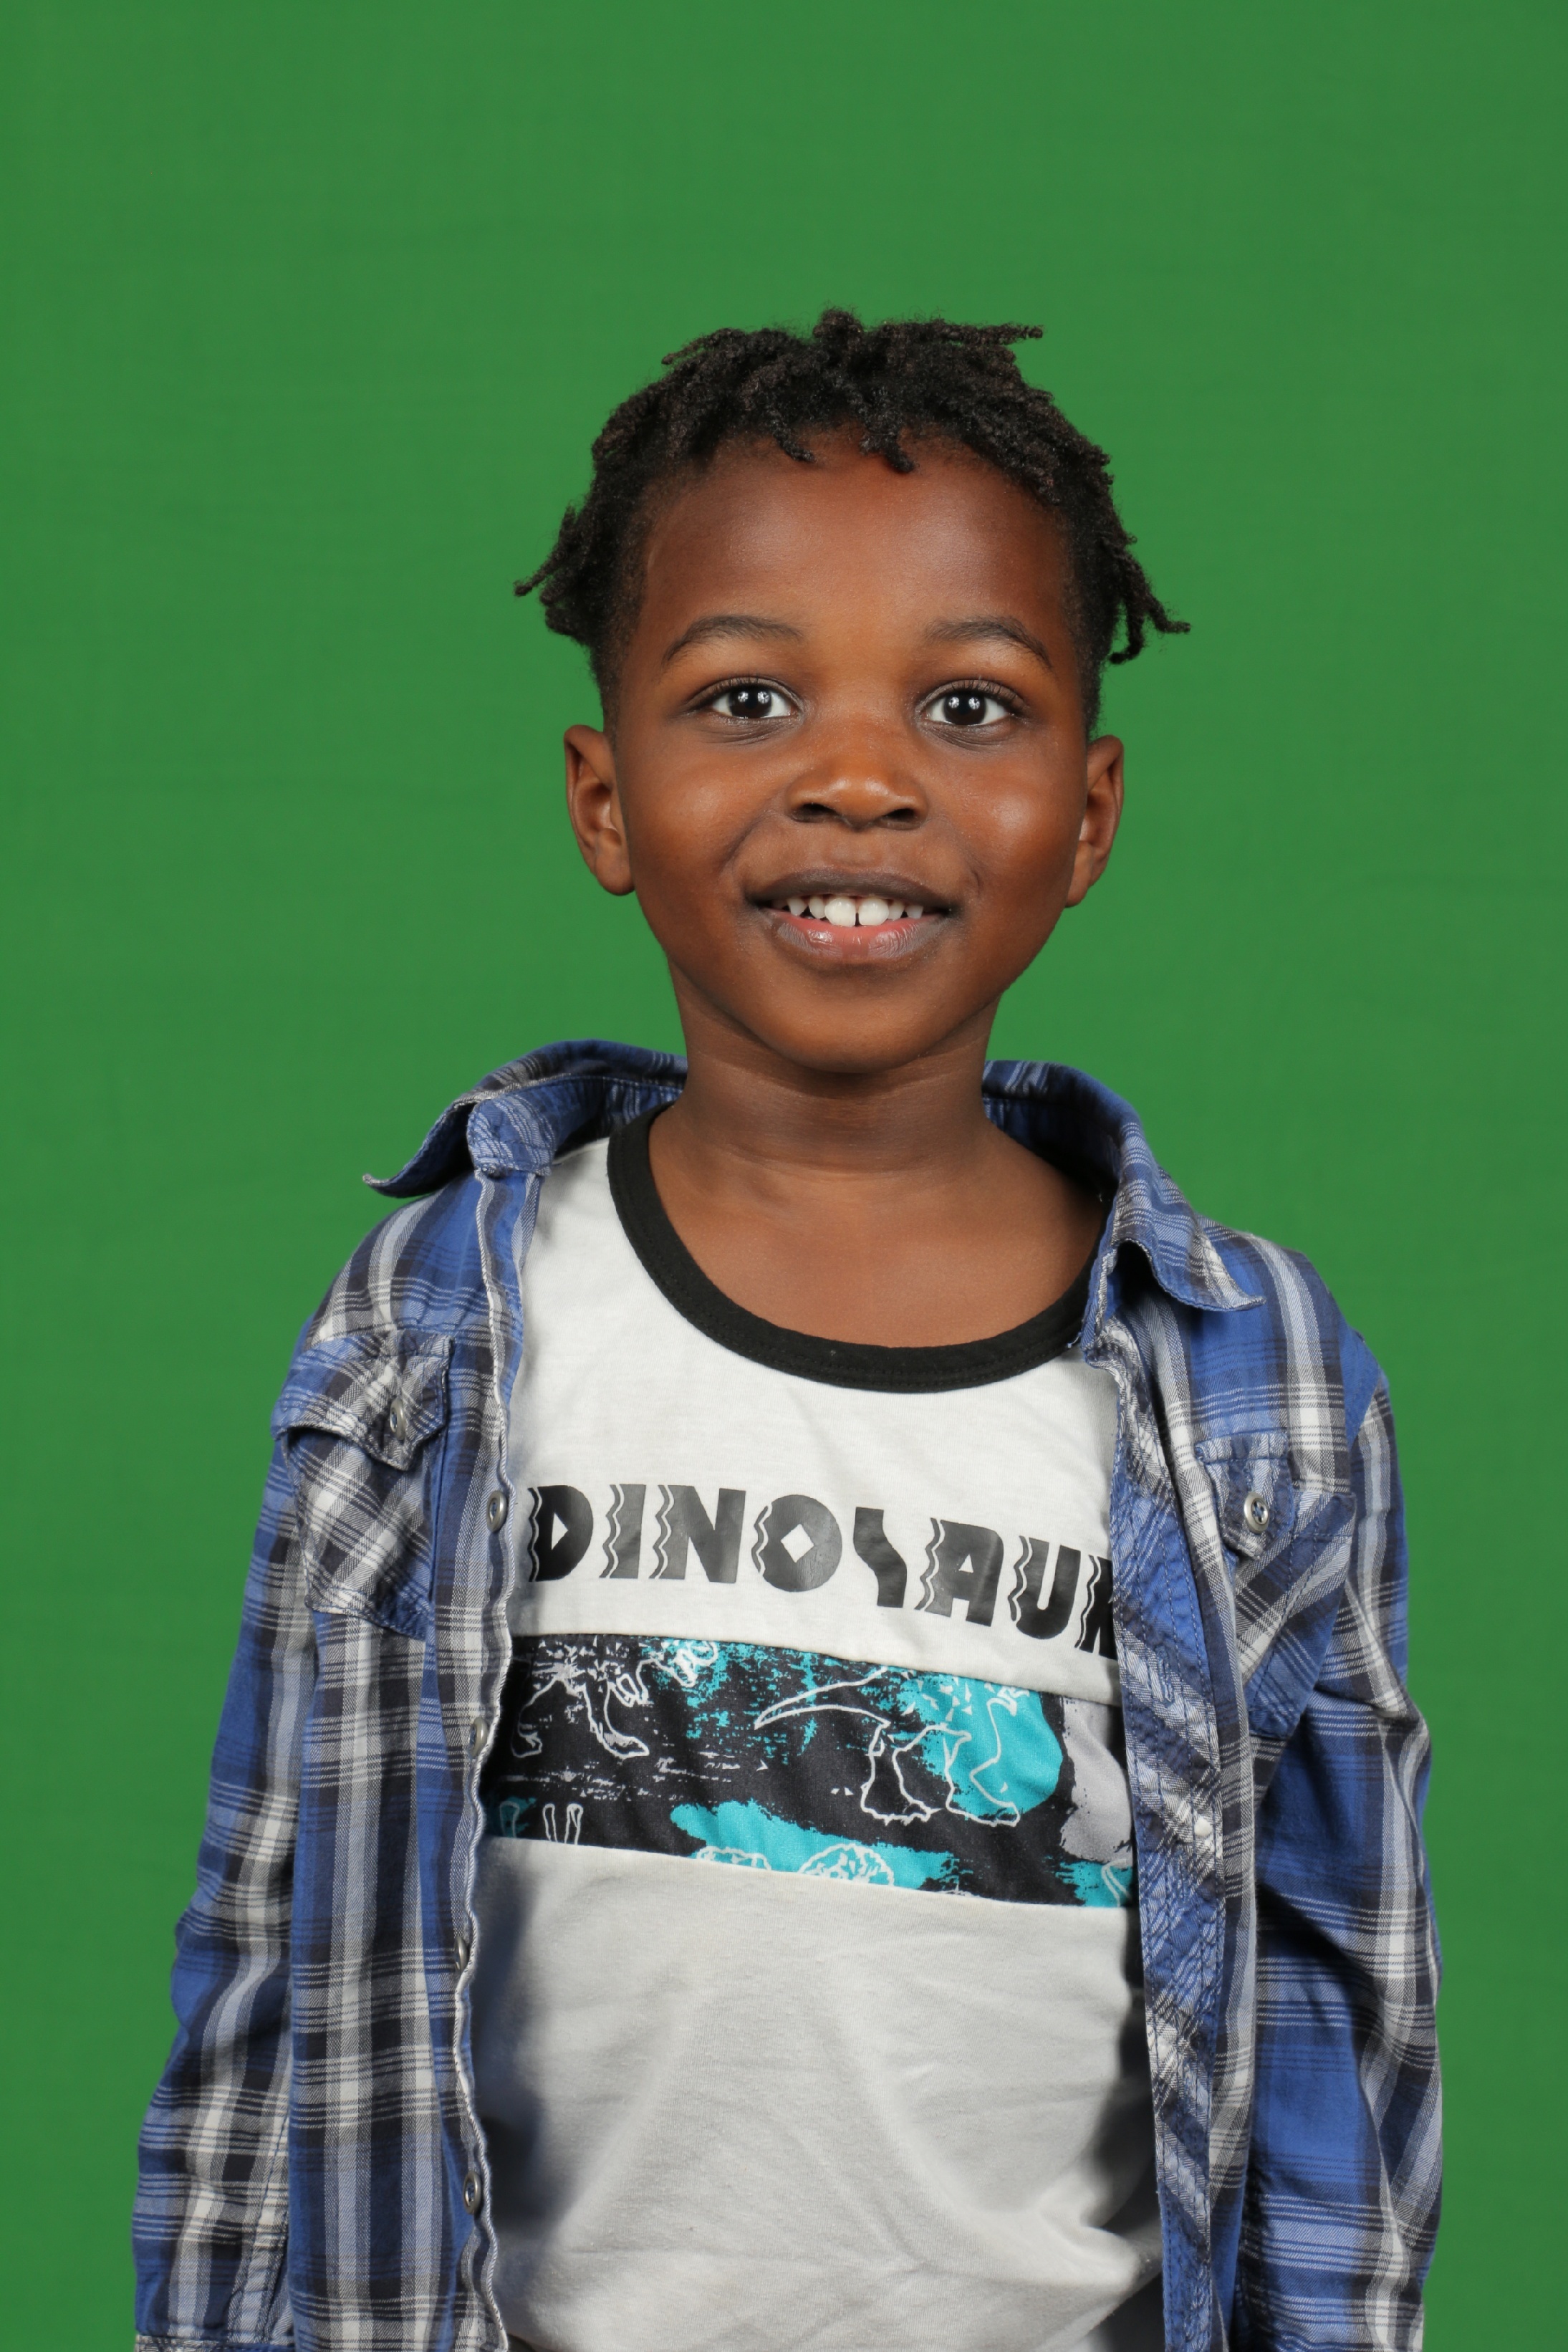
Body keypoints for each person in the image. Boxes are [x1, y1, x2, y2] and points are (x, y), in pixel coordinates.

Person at [133, 312, 1440, 2352]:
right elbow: (273, 1947)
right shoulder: (444, 1317)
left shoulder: (1250, 1378)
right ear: (605, 797)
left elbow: (1338, 2012)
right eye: (748, 697)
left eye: (968, 706)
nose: (858, 777)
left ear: (1088, 813)